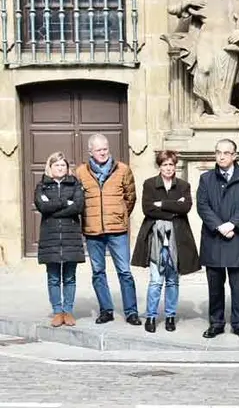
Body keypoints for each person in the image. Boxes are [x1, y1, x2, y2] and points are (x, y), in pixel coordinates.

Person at [131, 151, 201, 333]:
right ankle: (151, 316)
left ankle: (170, 316)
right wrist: (173, 206)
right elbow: (148, 209)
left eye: (171, 164)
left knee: (172, 280)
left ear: (175, 165)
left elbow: (185, 207)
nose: (168, 168)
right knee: (155, 280)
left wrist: (161, 204)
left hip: (178, 236)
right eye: (164, 165)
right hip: (156, 236)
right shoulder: (149, 184)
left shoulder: (184, 185)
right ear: (159, 166)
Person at [197, 139, 239, 339]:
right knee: (215, 285)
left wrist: (232, 224)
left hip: (237, 237)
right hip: (214, 237)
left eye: (226, 153)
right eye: (218, 152)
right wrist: (219, 226)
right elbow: (202, 206)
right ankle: (216, 323)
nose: (222, 156)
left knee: (237, 285)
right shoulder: (206, 179)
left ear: (234, 156)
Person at [74, 134, 140, 326]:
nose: (102, 153)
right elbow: (78, 200)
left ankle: (131, 312)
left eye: (105, 149)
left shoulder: (123, 170)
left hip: (117, 229)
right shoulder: (80, 172)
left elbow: (130, 198)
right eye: (98, 150)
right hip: (92, 231)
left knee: (125, 272)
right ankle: (106, 310)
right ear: (90, 152)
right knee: (98, 272)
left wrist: (119, 215)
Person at [34, 152, 85, 327]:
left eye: (63, 165)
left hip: (71, 238)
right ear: (50, 167)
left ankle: (68, 311)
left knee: (69, 277)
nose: (60, 168)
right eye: (57, 165)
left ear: (67, 168)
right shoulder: (42, 186)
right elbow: (43, 206)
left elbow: (78, 207)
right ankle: (57, 312)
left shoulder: (75, 185)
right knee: (53, 277)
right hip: (50, 238)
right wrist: (65, 202)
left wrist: (54, 206)